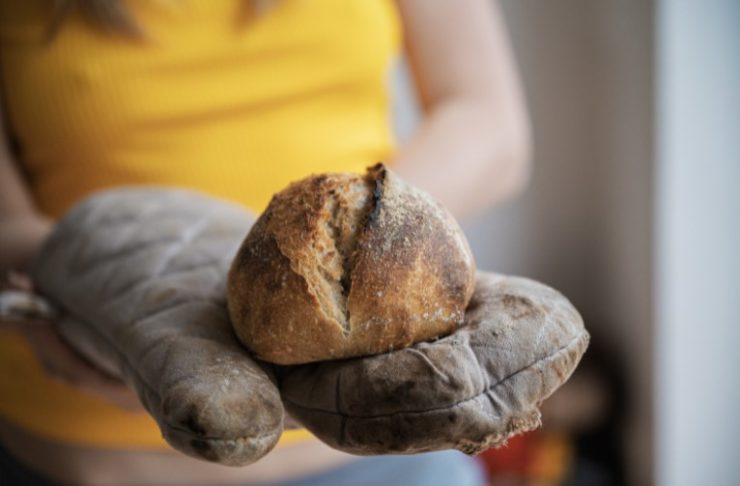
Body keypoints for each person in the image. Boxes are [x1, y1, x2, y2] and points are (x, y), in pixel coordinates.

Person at [0, 0, 531, 484]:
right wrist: (88, 292)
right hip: (88, 456)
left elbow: (488, 122)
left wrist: (384, 241)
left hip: (377, 445)